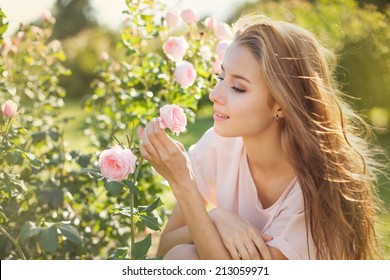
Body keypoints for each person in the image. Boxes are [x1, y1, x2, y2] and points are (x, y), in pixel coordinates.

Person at [139, 14, 383, 260]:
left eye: (238, 88)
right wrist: (215, 218)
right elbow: (165, 249)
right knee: (182, 255)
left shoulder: (315, 188)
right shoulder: (217, 145)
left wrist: (183, 183)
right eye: (221, 77)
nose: (214, 94)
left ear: (281, 105)